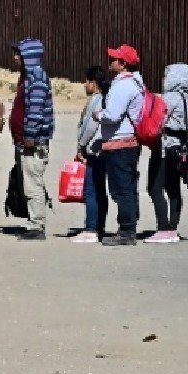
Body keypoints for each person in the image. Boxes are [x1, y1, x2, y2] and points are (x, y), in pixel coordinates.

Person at [98, 44, 144, 246]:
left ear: (123, 64)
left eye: (114, 59)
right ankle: (128, 226)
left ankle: (127, 230)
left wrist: (97, 114)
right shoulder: (135, 83)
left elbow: (112, 115)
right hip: (128, 143)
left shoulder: (124, 85)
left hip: (120, 143)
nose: (111, 61)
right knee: (127, 186)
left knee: (121, 188)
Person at [147, 62, 188, 243]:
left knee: (154, 188)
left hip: (165, 148)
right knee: (174, 188)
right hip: (181, 149)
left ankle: (163, 227)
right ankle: (173, 228)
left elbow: (158, 122)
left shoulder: (168, 98)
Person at [10, 38, 54, 241]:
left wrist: (29, 135)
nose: (15, 58)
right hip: (24, 142)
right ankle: (32, 221)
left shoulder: (36, 78)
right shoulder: (27, 77)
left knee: (33, 183)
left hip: (33, 144)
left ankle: (37, 226)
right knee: (28, 182)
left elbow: (35, 111)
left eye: (19, 54)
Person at [71, 66, 111, 243]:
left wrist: (81, 144)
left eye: (86, 81)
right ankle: (99, 226)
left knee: (91, 190)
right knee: (100, 189)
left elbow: (89, 126)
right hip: (104, 149)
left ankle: (91, 228)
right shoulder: (107, 98)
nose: (84, 85)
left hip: (94, 150)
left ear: (93, 83)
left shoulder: (96, 100)